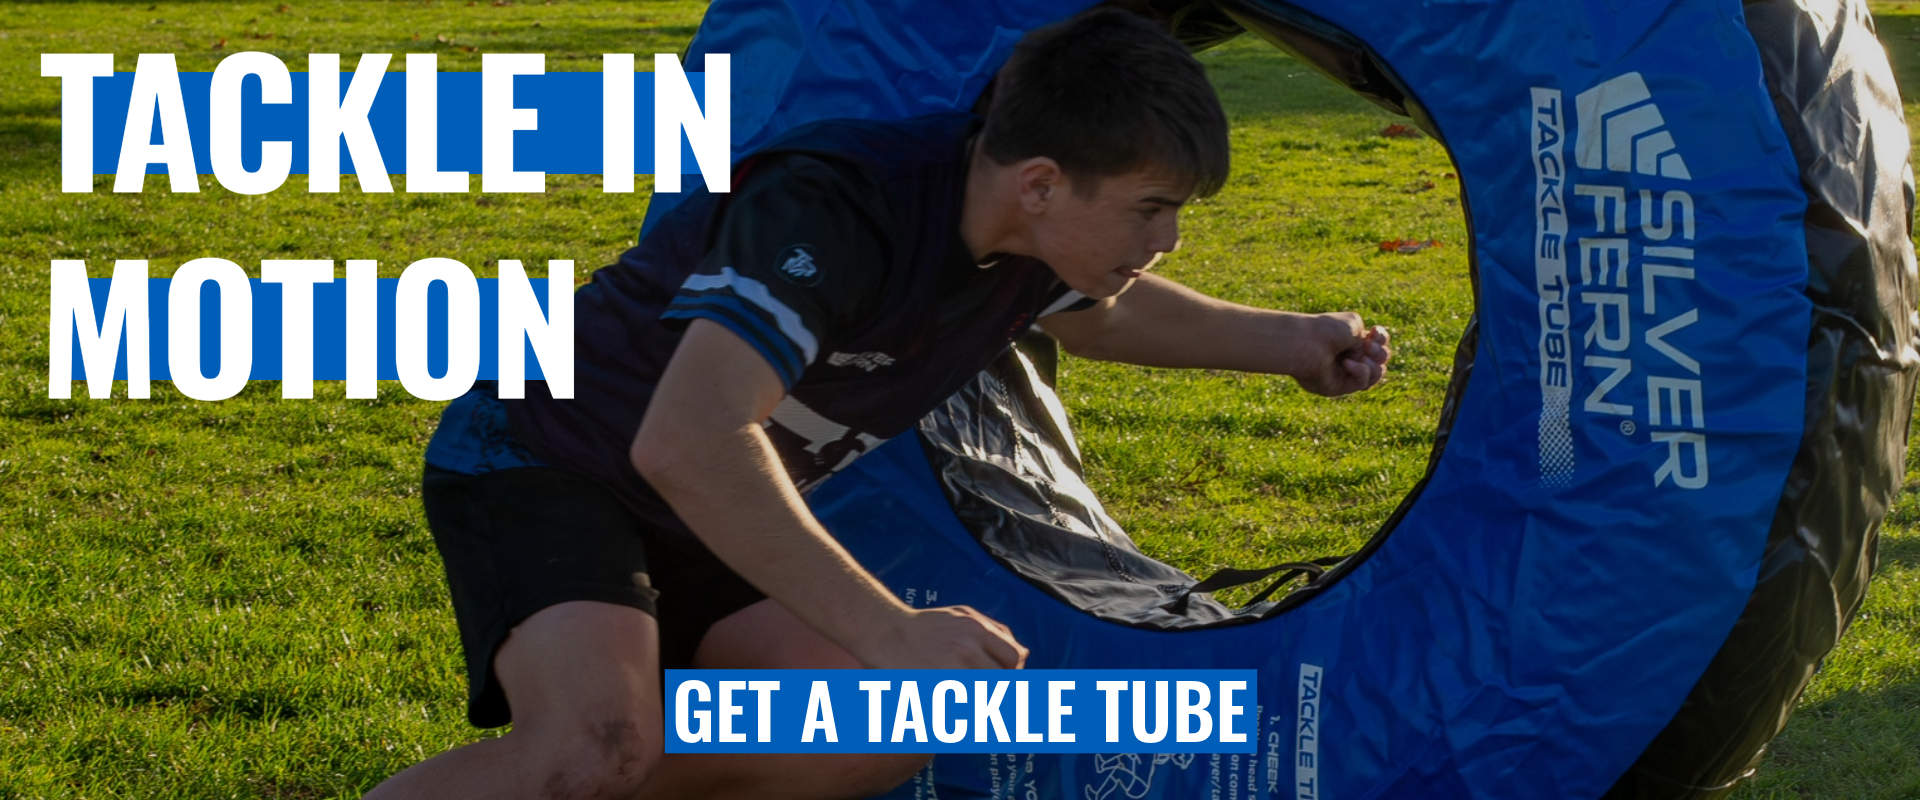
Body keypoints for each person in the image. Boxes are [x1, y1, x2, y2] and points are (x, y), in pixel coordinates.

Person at [367, 8, 1390, 799]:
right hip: (552, 457)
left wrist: (1290, 343)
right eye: (1151, 210)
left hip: (702, 508)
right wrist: (892, 627)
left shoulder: (1026, 238)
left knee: (884, 724)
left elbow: (1107, 318)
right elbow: (690, 438)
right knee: (594, 748)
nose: (1166, 240)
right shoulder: (835, 209)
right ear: (1041, 182)